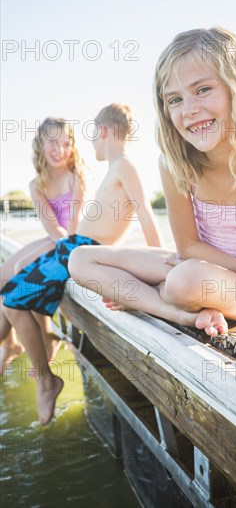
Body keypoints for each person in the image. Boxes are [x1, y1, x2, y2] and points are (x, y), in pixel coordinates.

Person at [69, 27, 236, 340]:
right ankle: (175, 311)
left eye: (202, 90)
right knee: (79, 259)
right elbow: (187, 246)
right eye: (175, 99)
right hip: (195, 264)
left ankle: (158, 296)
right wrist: (235, 266)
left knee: (183, 281)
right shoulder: (175, 164)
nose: (189, 110)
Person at [1, 103, 165, 424]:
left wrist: (160, 264)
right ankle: (41, 370)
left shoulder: (123, 167)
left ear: (102, 132)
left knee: (12, 301)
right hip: (74, 248)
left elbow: (144, 211)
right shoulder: (116, 168)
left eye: (90, 136)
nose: (89, 144)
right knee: (11, 299)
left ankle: (46, 380)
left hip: (80, 249)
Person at [0, 117, 86, 374]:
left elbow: (71, 230)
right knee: (4, 274)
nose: (59, 150)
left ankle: (45, 335)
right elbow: (52, 228)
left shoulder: (77, 177)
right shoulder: (36, 184)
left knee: (19, 268)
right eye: (52, 142)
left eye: (65, 143)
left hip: (75, 242)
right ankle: (14, 342)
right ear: (40, 144)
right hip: (54, 237)